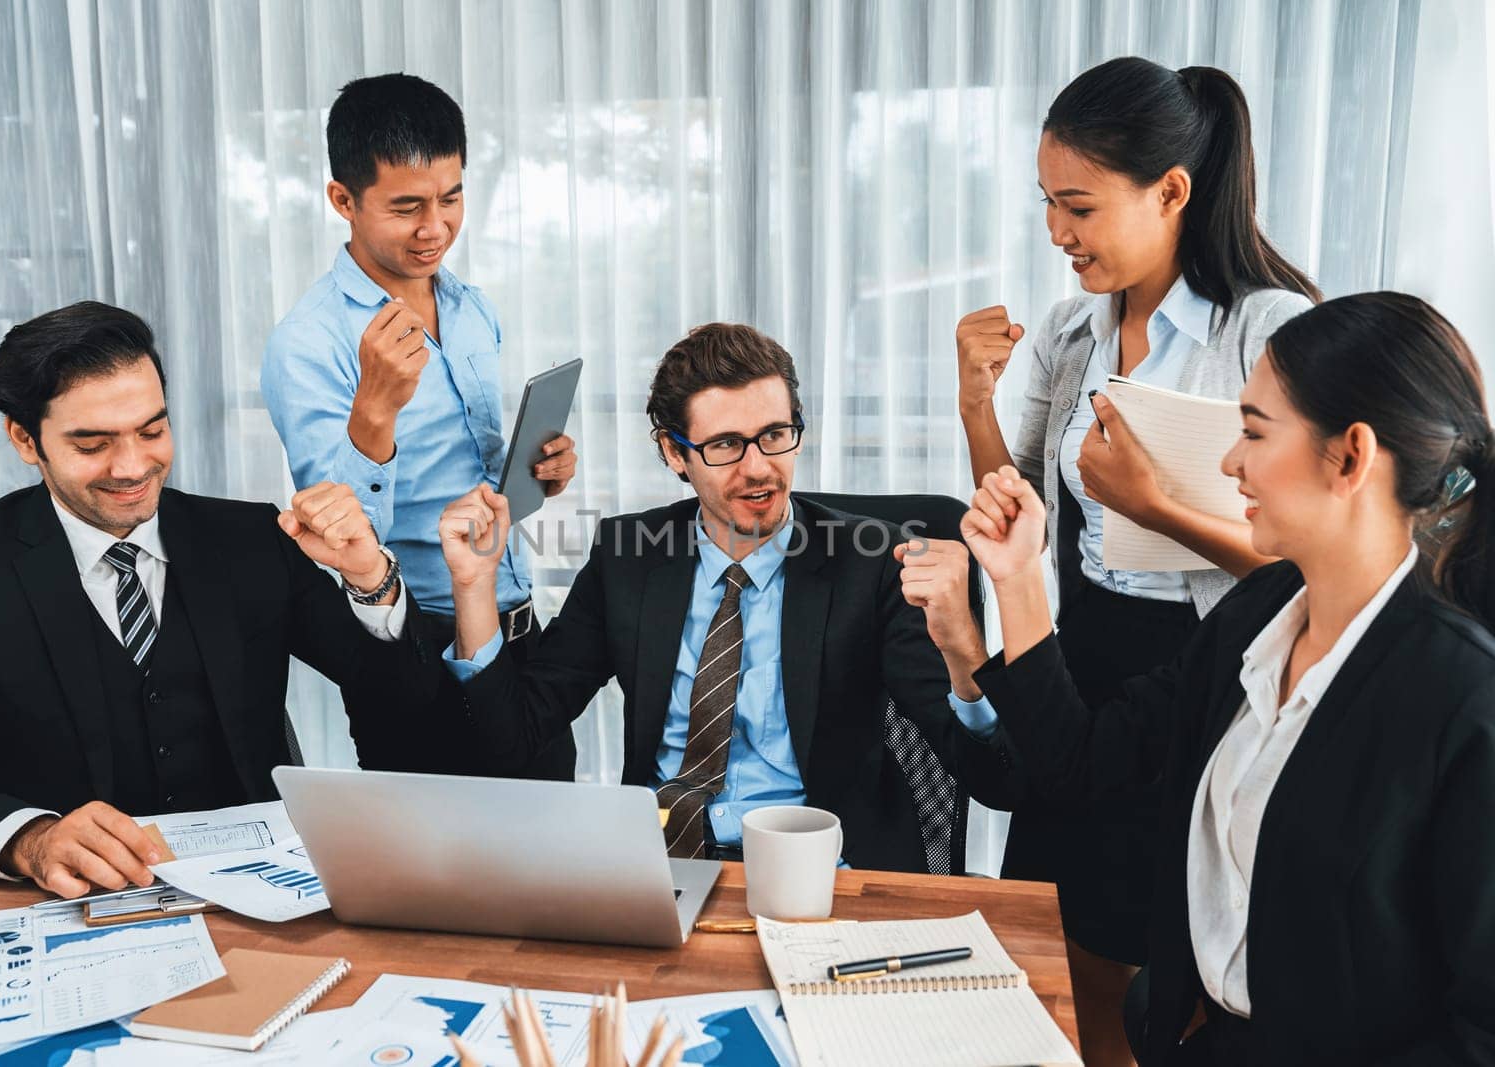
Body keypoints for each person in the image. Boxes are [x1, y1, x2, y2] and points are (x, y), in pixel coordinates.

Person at [949, 292, 1495, 1064]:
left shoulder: (1461, 696)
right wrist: (1017, 581)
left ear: (1351, 455)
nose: (1231, 461)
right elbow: (1083, 762)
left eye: (1253, 431)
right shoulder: (1257, 615)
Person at [951, 56, 1320, 1060]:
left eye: (1077, 205)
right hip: (1077, 656)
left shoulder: (1266, 331)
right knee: (1056, 940)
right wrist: (974, 400)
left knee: (1156, 962)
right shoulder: (1075, 330)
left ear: (1169, 192)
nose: (1056, 232)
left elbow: (1305, 564)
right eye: (1046, 204)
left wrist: (1150, 500)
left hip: (1204, 667)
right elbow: (1011, 503)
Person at [0, 302, 441, 899]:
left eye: (152, 431)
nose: (132, 467)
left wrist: (369, 578)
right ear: (26, 439)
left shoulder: (253, 541)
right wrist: (32, 840)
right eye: (92, 444)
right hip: (66, 905)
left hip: (262, 902)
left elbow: (405, 707)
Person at [433, 323, 1015, 869]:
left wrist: (965, 647)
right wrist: (473, 586)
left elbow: (995, 779)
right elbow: (513, 739)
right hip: (657, 862)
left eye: (774, 436)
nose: (758, 468)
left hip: (817, 869)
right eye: (726, 446)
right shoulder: (628, 557)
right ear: (673, 452)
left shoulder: (875, 565)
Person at [260, 73, 577, 780]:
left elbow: (474, 469)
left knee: (555, 866)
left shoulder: (471, 307)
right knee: (436, 882)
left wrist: (539, 472)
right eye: (406, 207)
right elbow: (335, 536)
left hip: (520, 631)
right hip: (414, 656)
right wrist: (375, 408)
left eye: (452, 197)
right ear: (343, 200)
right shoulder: (308, 343)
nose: (435, 227)